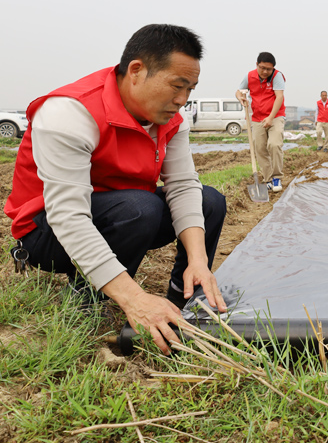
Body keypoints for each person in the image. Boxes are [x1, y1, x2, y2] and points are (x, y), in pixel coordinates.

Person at [4, 24, 229, 354]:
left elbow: (181, 185)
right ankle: (86, 294)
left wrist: (198, 260)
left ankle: (183, 301)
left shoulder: (168, 118)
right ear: (136, 71)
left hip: (124, 215)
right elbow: (68, 217)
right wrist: (134, 298)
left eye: (190, 90)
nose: (182, 101)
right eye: (176, 86)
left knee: (209, 200)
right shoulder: (70, 112)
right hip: (46, 231)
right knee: (141, 207)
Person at [235, 52, 286, 192]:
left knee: (274, 145)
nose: (265, 72)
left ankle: (276, 178)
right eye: (262, 68)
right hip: (257, 118)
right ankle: (268, 179)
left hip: (275, 116)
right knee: (260, 149)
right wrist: (240, 98)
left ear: (273, 68)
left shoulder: (277, 76)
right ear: (257, 64)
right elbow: (239, 91)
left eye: (268, 69)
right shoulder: (249, 76)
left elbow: (279, 97)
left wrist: (270, 117)